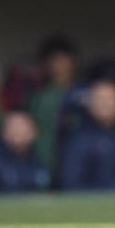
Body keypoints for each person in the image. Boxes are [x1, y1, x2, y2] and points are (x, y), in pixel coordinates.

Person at [59, 79, 115, 191]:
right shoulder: (79, 141)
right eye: (100, 99)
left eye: (110, 99)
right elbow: (71, 184)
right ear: (90, 106)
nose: (105, 104)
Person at [28, 35, 84, 174]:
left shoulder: (85, 93)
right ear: (47, 64)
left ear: (74, 62)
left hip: (80, 157)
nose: (61, 65)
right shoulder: (39, 97)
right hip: (46, 158)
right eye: (56, 60)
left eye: (65, 59)